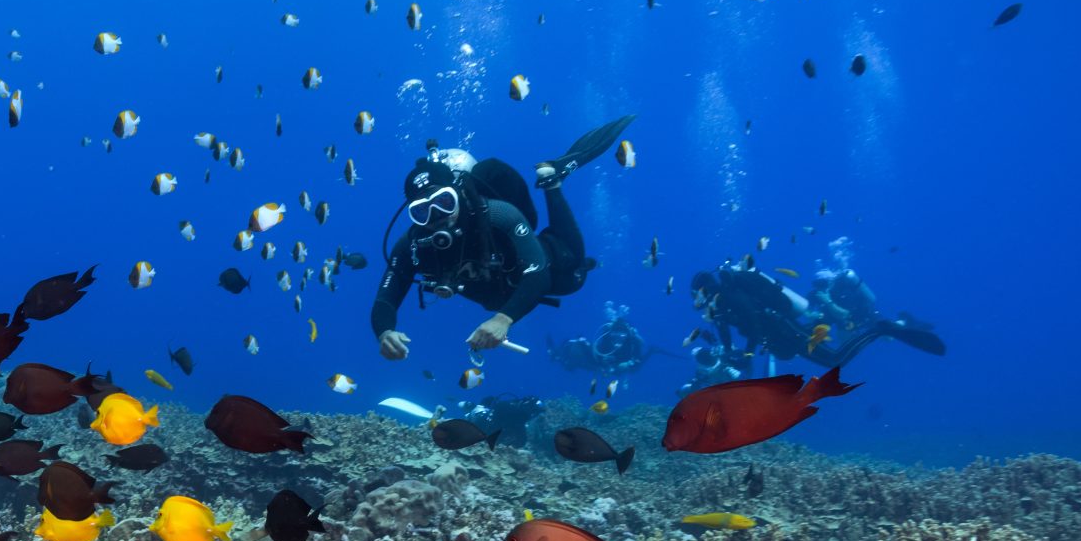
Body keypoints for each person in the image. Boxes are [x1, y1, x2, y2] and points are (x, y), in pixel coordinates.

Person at [372, 116, 635, 361]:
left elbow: (539, 274)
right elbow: (385, 297)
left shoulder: (498, 214)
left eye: (444, 202)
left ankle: (551, 183)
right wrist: (385, 332)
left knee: (571, 272)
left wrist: (503, 319)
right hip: (498, 291)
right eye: (422, 211)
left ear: (458, 194)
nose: (437, 216)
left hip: (535, 268)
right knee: (500, 297)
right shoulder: (413, 245)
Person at [687, 251, 944, 371]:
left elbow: (753, 321)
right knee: (830, 357)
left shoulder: (730, 296)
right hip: (777, 335)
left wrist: (748, 354)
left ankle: (879, 329)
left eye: (696, 295)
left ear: (704, 289)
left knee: (835, 360)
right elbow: (723, 327)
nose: (697, 301)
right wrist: (730, 350)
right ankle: (885, 328)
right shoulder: (720, 305)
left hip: (785, 329)